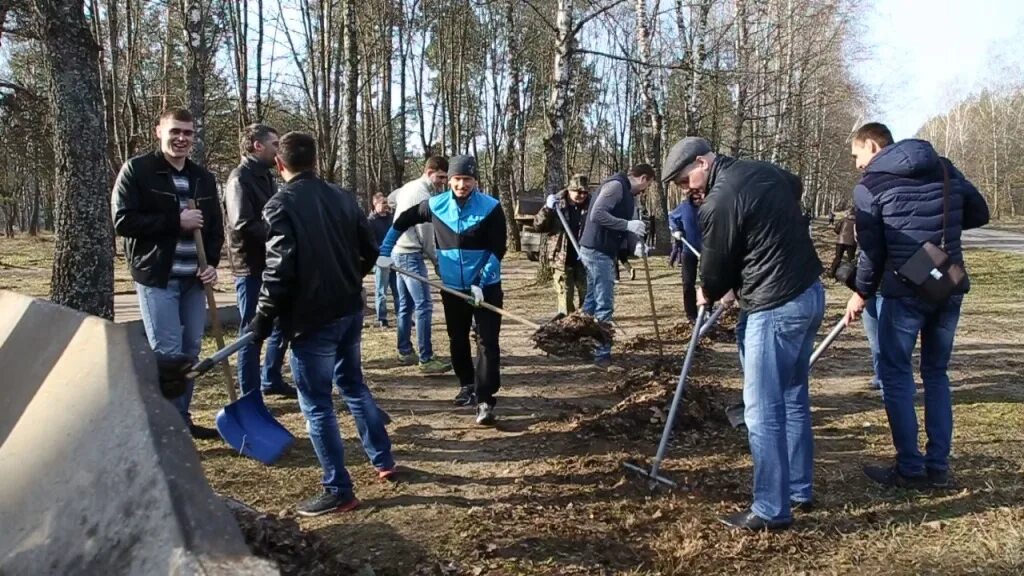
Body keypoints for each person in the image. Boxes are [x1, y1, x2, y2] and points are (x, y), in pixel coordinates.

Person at [662, 136, 824, 531]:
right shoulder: (765, 171)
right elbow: (795, 186)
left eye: (686, 180)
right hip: (810, 295)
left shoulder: (719, 200)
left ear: (703, 161)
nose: (688, 190)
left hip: (774, 306)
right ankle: (799, 489)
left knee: (762, 408)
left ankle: (771, 507)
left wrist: (709, 290)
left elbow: (715, 270)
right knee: (793, 396)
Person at [247, 131, 395, 516]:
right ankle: (383, 459)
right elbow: (369, 253)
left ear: (280, 165)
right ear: (316, 160)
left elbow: (278, 272)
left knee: (316, 405)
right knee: (352, 384)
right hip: (347, 310)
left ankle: (338, 488)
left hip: (313, 321)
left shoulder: (280, 204)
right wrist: (347, 278)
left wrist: (262, 319)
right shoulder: (343, 197)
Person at [842, 122, 989, 490]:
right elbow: (980, 212)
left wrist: (860, 292)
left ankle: (910, 468)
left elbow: (872, 254)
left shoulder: (870, 187)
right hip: (947, 282)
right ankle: (938, 467)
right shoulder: (944, 168)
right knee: (936, 374)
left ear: (873, 147)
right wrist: (942, 230)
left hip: (904, 289)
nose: (857, 164)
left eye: (857, 155)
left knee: (895, 375)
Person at [112, 107, 223, 440]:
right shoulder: (138, 171)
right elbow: (123, 221)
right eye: (175, 131)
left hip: (194, 279)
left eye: (188, 133)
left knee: (190, 351)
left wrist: (212, 263)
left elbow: (214, 226)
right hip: (156, 276)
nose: (182, 138)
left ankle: (181, 419)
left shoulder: (203, 177)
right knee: (168, 354)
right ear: (158, 131)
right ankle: (166, 427)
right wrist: (177, 221)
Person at [377, 155, 507, 425]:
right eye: (457, 179)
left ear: (475, 181)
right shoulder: (435, 205)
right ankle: (466, 386)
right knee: (457, 339)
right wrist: (385, 252)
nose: (462, 184)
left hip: (486, 288)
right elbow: (402, 221)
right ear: (449, 180)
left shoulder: (491, 207)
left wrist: (481, 284)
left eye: (467, 179)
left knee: (487, 343)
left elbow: (498, 250)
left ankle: (485, 400)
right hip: (452, 288)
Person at [224, 123, 295, 399]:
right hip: (250, 266)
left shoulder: (267, 177)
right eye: (275, 144)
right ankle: (250, 393)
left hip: (272, 264)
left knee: (283, 323)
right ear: (257, 146)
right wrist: (281, 233)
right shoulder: (239, 179)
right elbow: (242, 224)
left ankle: (271, 378)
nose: (279, 150)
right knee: (252, 331)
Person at [578, 164, 656, 367]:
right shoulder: (615, 187)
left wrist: (636, 245)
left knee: (592, 301)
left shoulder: (629, 196)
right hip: (596, 250)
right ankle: (601, 354)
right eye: (647, 184)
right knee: (604, 302)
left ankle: (580, 342)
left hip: (603, 250)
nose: (645, 190)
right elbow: (597, 215)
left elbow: (630, 225)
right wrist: (627, 225)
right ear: (643, 178)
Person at [388, 156, 452, 374]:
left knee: (406, 306)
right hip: (409, 254)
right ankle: (426, 359)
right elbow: (426, 233)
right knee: (424, 306)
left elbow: (391, 199)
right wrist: (437, 262)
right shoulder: (421, 193)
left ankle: (404, 351)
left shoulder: (407, 187)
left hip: (398, 251)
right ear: (429, 171)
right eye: (441, 177)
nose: (443, 182)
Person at [533, 173, 591, 314]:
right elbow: (538, 226)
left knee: (589, 297)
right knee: (565, 299)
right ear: (569, 190)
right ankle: (567, 329)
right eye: (578, 192)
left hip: (585, 258)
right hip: (562, 258)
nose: (582, 195)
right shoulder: (557, 203)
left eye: (584, 192)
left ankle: (587, 327)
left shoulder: (592, 205)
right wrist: (547, 209)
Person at [669, 188, 704, 324]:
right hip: (688, 251)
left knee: (707, 282)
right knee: (688, 283)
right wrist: (676, 229)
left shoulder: (711, 206)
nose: (698, 200)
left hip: (708, 251)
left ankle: (707, 311)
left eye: (700, 198)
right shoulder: (684, 208)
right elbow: (672, 217)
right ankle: (691, 315)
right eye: (695, 198)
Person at [368, 193, 399, 328]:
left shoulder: (392, 220)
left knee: (398, 290)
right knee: (382, 290)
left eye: (387, 203)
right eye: (382, 203)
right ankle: (382, 318)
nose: (385, 206)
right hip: (380, 259)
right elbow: (369, 241)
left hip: (395, 257)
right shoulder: (369, 221)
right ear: (375, 204)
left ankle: (402, 316)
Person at [828, 209, 856, 279]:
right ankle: (849, 276)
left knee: (837, 258)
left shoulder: (843, 220)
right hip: (851, 243)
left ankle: (832, 273)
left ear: (848, 214)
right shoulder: (857, 222)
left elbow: (836, 229)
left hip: (840, 241)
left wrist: (840, 234)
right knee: (851, 259)